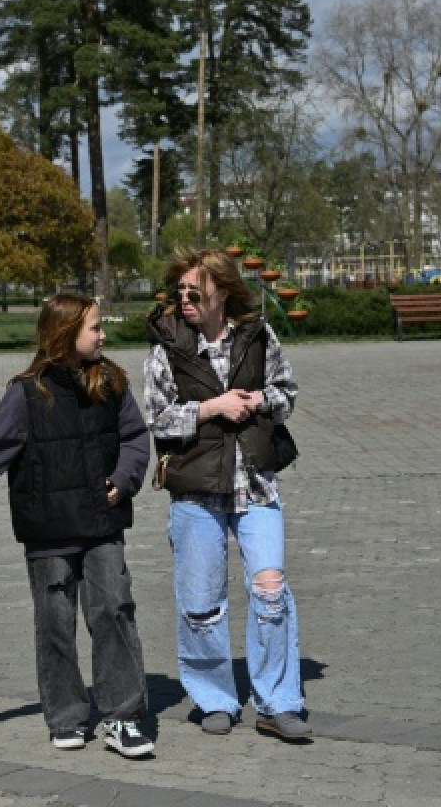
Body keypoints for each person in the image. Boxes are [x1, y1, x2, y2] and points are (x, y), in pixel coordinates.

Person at [0, 293, 155, 759]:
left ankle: (122, 716)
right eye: (94, 327)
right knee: (55, 623)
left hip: (101, 523)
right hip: (48, 531)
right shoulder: (27, 392)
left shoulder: (111, 381)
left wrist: (125, 479)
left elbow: (135, 437)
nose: (103, 334)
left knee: (113, 610)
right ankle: (67, 716)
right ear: (65, 333)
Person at [143, 247, 311, 742]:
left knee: (270, 589)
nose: (186, 298)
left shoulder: (257, 337)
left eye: (196, 290)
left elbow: (288, 393)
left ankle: (278, 702)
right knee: (200, 602)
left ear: (222, 292)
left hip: (256, 485)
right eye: (181, 291)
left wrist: (259, 399)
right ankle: (214, 697)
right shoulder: (166, 348)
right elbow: (157, 419)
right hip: (196, 489)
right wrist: (212, 407)